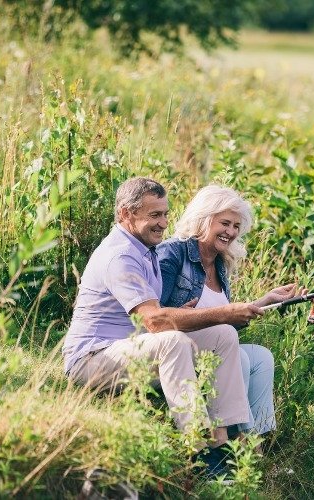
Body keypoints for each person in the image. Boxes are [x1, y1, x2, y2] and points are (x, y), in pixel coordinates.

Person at [62, 177, 263, 478]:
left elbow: (156, 316)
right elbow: (154, 320)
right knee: (173, 341)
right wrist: (221, 312)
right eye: (154, 215)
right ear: (125, 214)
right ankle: (197, 448)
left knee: (223, 334)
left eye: (165, 214)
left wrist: (194, 318)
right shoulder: (120, 255)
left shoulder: (147, 250)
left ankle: (223, 439)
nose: (163, 223)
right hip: (92, 360)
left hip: (129, 350)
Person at [157, 185, 301, 438]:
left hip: (213, 347)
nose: (231, 232)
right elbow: (152, 315)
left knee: (261, 357)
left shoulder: (220, 263)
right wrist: (179, 313)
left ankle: (255, 440)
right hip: (177, 350)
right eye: (225, 223)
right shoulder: (173, 252)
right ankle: (230, 441)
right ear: (204, 219)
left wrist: (264, 301)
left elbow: (223, 322)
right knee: (242, 358)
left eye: (236, 226)